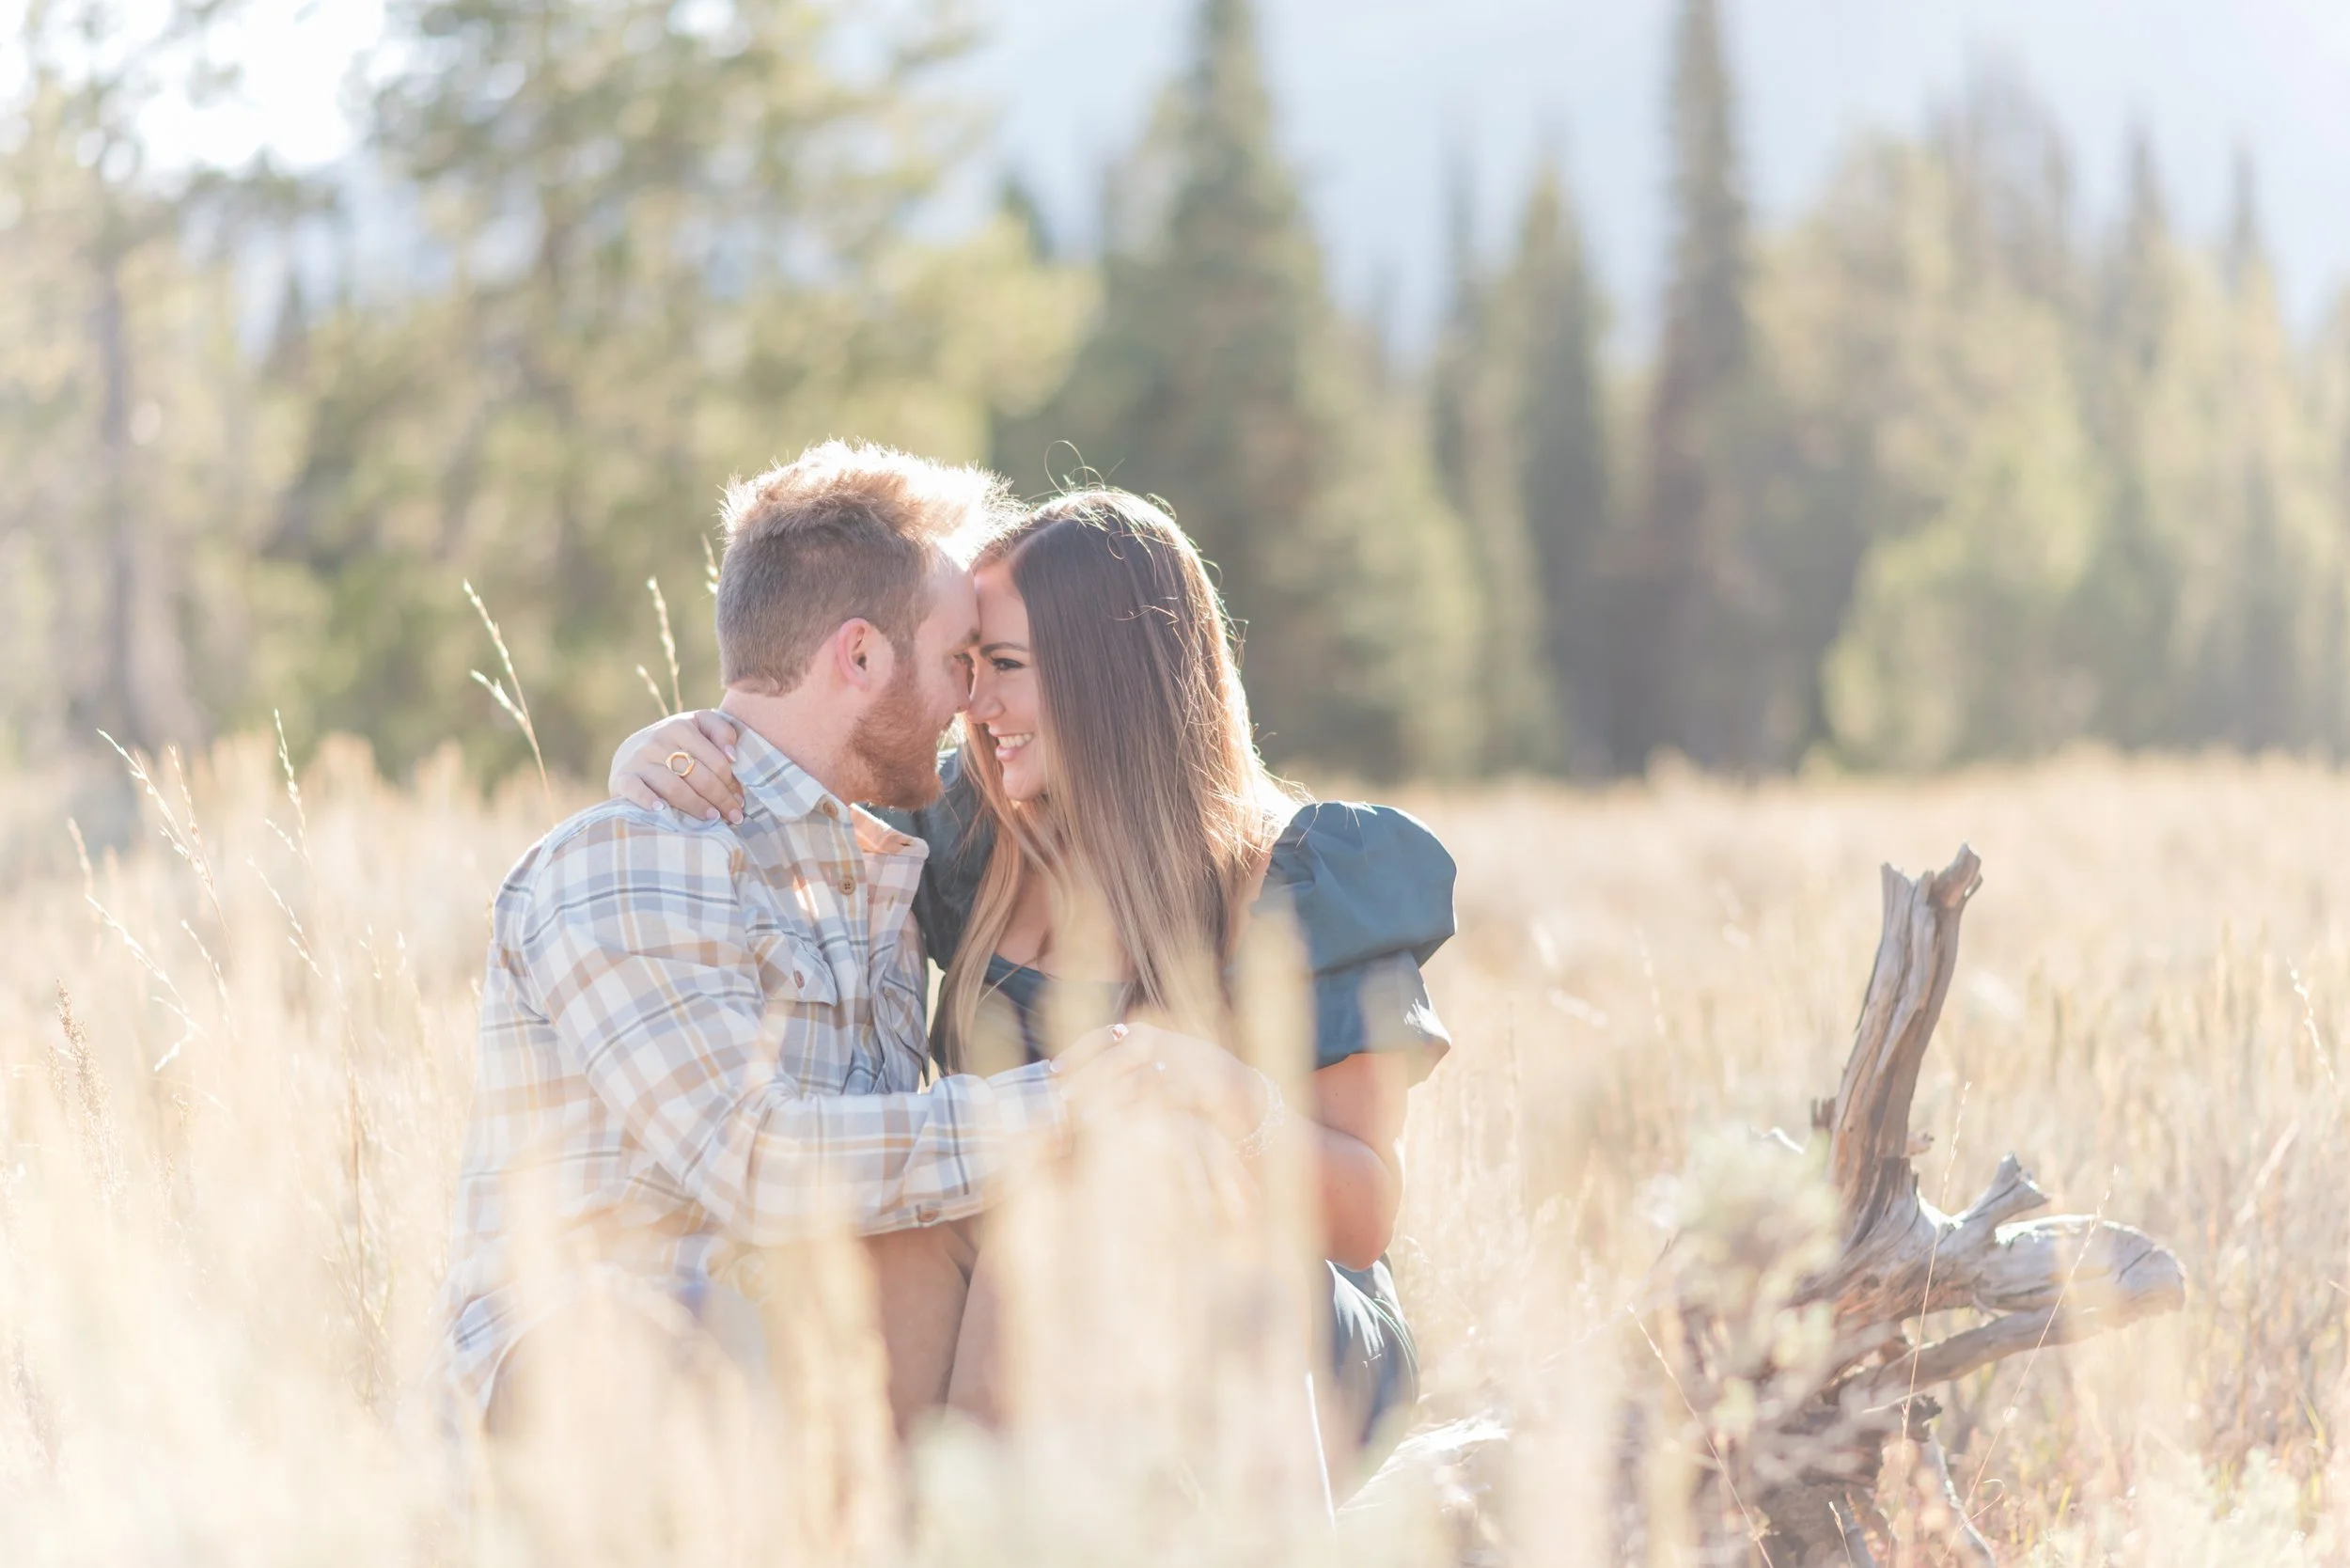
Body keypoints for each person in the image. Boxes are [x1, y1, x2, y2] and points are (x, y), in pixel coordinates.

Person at [613, 487, 1456, 1471]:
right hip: (1013, 1298)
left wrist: (1223, 1095)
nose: (973, 703)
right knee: (905, 1241)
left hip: (1272, 1316)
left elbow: (1361, 1218)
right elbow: (804, 787)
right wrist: (669, 749)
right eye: (966, 666)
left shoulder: (1304, 880)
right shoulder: (972, 843)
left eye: (1004, 667)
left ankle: (985, 1529)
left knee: (1080, 1197)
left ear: (1109, 677)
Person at [433, 442, 1163, 1466]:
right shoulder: (633, 857)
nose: (970, 701)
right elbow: (755, 1162)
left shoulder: (886, 873)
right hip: (609, 1386)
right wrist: (1063, 1101)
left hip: (814, 1353)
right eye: (959, 659)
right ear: (858, 657)